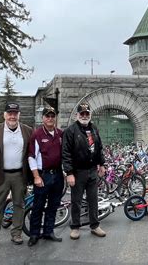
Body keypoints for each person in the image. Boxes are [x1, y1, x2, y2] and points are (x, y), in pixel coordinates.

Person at [0, 102, 33, 248]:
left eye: (15, 113)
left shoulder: (28, 130)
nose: (12, 116)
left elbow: (31, 154)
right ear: (4, 115)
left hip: (19, 175)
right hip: (0, 175)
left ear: (19, 115)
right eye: (9, 113)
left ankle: (16, 233)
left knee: (19, 205)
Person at [62, 102, 106, 240]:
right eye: (82, 113)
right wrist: (69, 173)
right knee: (76, 201)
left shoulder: (94, 129)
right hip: (77, 172)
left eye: (87, 113)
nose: (85, 116)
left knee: (93, 200)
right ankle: (75, 227)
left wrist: (102, 164)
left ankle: (95, 225)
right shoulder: (70, 131)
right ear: (77, 115)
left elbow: (99, 148)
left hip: (92, 170)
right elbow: (66, 153)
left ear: (90, 115)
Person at [27, 106, 65, 246]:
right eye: (47, 116)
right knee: (38, 206)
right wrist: (36, 176)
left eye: (52, 116)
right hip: (43, 175)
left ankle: (49, 231)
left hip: (58, 175)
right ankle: (34, 234)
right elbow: (31, 157)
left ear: (55, 118)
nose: (50, 118)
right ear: (42, 118)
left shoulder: (60, 134)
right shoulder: (37, 134)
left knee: (54, 205)